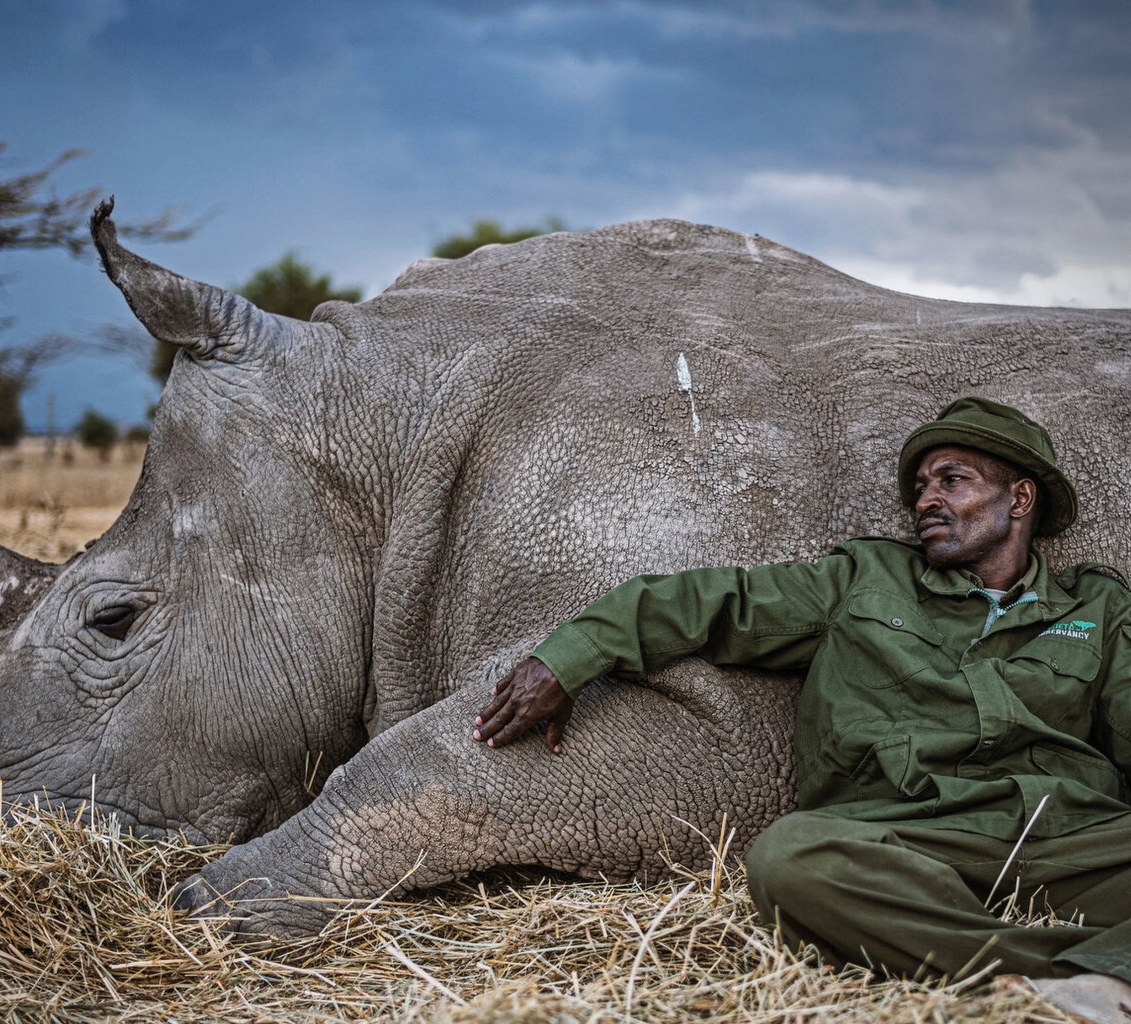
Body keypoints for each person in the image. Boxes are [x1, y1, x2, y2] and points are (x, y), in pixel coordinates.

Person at [473, 397, 1131, 1023]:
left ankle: (1088, 976)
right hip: (904, 839)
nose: (926, 500)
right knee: (789, 858)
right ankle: (1069, 978)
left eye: (952, 481)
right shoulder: (864, 581)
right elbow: (713, 602)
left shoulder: (1099, 610)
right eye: (921, 488)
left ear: (1019, 498)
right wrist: (571, 655)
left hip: (1064, 836)